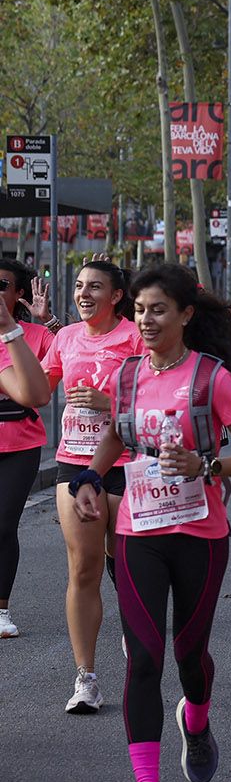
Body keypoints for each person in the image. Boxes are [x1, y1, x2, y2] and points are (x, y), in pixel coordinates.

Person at [71, 263, 231, 782]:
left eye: (158, 309)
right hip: (138, 530)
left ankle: (198, 719)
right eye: (138, 310)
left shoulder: (212, 378)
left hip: (200, 534)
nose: (146, 319)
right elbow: (117, 435)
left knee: (188, 654)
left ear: (185, 314)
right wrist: (89, 475)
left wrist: (208, 464)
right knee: (144, 656)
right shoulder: (127, 376)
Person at [46, 260, 144, 712]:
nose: (84, 293)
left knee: (128, 567)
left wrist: (112, 402)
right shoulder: (65, 338)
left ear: (117, 295)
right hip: (74, 462)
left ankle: (137, 632)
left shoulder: (136, 336)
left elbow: (162, 392)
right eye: (80, 286)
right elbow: (37, 388)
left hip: (129, 463)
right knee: (82, 568)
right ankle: (86, 678)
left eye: (95, 287)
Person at [0, 260, 54, 640]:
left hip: (20, 441)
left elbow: (75, 356)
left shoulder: (33, 335)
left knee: (3, 525)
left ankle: (0, 609)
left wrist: (48, 323)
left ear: (18, 293)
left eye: (1, 284)